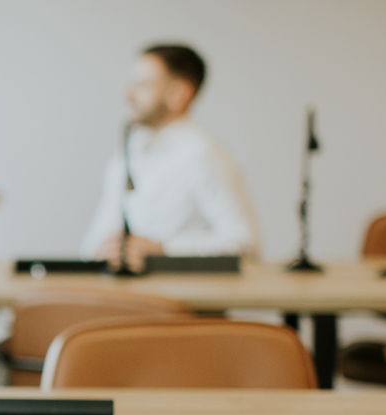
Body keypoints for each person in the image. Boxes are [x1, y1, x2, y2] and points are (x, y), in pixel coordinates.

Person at [80, 44, 261, 272]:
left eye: (143, 85)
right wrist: (101, 251)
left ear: (179, 93)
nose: (129, 94)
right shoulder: (128, 153)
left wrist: (164, 250)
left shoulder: (203, 155)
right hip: (116, 289)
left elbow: (246, 246)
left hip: (175, 293)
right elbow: (92, 244)